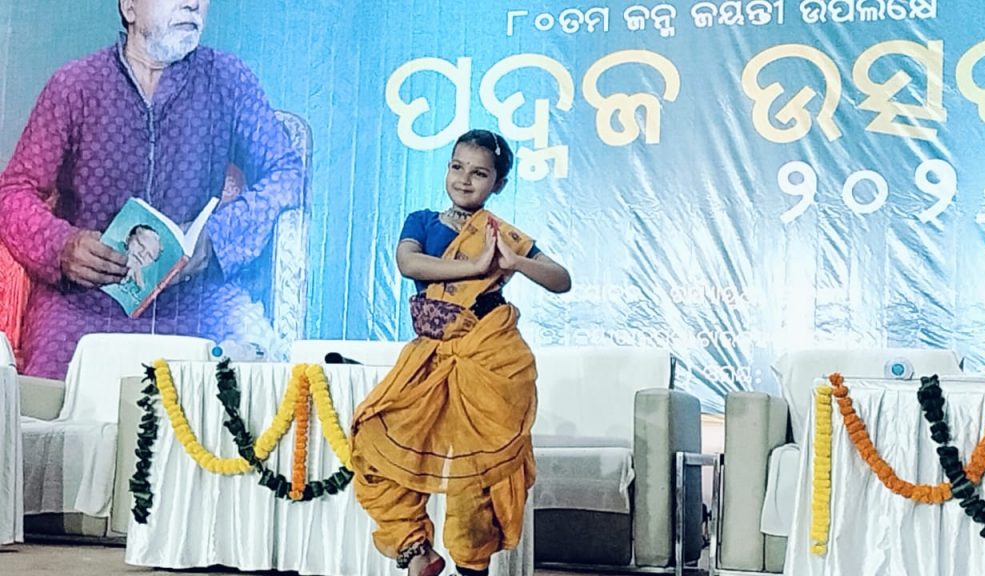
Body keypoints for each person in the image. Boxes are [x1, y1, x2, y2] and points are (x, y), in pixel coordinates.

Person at [0, 0, 301, 378]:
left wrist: (217, 238)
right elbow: (14, 191)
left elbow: (287, 173)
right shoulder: (74, 86)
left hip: (196, 301)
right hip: (84, 303)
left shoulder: (228, 80)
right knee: (54, 392)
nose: (192, 4)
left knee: (260, 373)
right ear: (129, 7)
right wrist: (63, 246)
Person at [350, 129, 571, 576]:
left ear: (498, 184)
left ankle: (472, 566)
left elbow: (561, 279)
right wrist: (474, 265)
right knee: (374, 441)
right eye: (457, 167)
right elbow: (409, 263)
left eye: (479, 173)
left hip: (488, 356)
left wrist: (516, 262)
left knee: (475, 476)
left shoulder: (500, 234)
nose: (464, 180)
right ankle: (416, 551)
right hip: (431, 355)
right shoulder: (422, 220)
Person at [122, 225, 162, 291]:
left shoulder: (145, 289)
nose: (142, 254)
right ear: (128, 239)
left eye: (149, 255)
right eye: (140, 245)